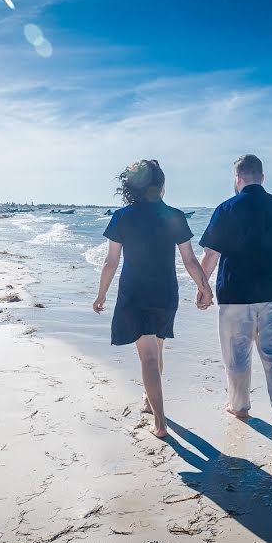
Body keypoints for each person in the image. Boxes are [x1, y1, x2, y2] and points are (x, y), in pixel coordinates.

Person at [93, 160, 214, 438]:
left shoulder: (122, 217)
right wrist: (205, 288)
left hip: (134, 291)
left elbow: (111, 262)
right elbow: (190, 261)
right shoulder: (174, 216)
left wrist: (101, 295)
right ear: (161, 187)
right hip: (165, 291)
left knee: (148, 356)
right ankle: (150, 401)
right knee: (156, 351)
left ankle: (160, 424)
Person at [198, 154, 272, 439]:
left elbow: (210, 255)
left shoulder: (226, 209)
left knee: (236, 356)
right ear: (262, 176)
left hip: (235, 293)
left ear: (238, 179)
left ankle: (239, 406)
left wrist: (202, 286)